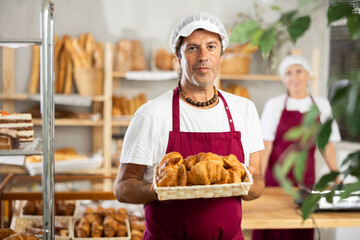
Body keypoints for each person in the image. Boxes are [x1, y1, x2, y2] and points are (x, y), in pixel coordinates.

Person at [113, 12, 265, 240]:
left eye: (211, 47)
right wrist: (158, 190)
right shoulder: (151, 113)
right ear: (177, 56)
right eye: (192, 48)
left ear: (222, 55)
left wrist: (246, 184)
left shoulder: (244, 109)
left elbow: (258, 181)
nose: (204, 56)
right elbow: (123, 188)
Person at [252, 55, 341, 240]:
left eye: (299, 71)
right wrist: (258, 178)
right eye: (288, 73)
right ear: (284, 79)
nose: (294, 77)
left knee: (300, 227)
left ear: (308, 74)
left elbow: (326, 144)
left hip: (305, 182)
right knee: (272, 228)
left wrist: (336, 175)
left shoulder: (321, 105)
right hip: (275, 181)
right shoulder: (274, 105)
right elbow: (265, 145)